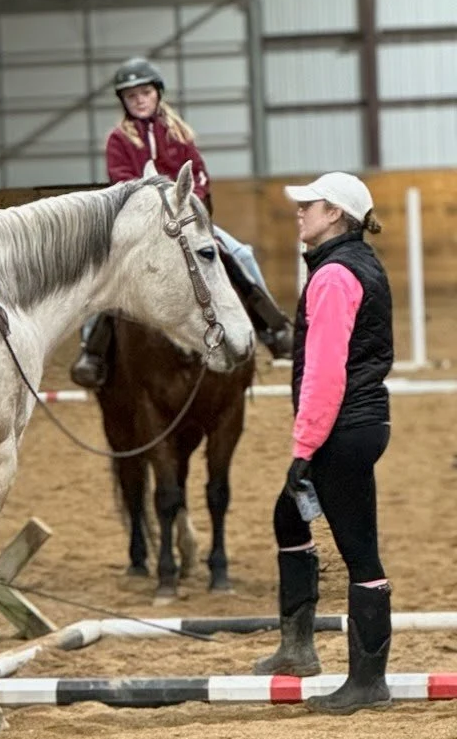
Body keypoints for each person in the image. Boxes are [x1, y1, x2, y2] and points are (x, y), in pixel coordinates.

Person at [252, 171, 393, 716]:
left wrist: (304, 447)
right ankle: (298, 648)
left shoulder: (334, 276)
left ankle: (367, 683)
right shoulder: (349, 264)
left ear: (335, 214)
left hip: (344, 427)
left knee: (361, 552)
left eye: (308, 205)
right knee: (290, 518)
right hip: (355, 423)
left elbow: (325, 373)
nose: (300, 212)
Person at [69, 57, 293, 389]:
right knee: (108, 274)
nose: (140, 100)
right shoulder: (119, 140)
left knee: (241, 253)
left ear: (157, 94)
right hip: (143, 225)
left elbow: (200, 175)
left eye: (145, 93)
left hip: (188, 220)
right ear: (124, 103)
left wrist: (191, 207)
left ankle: (272, 327)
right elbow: (122, 182)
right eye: (132, 96)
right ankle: (93, 350)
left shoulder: (179, 133)